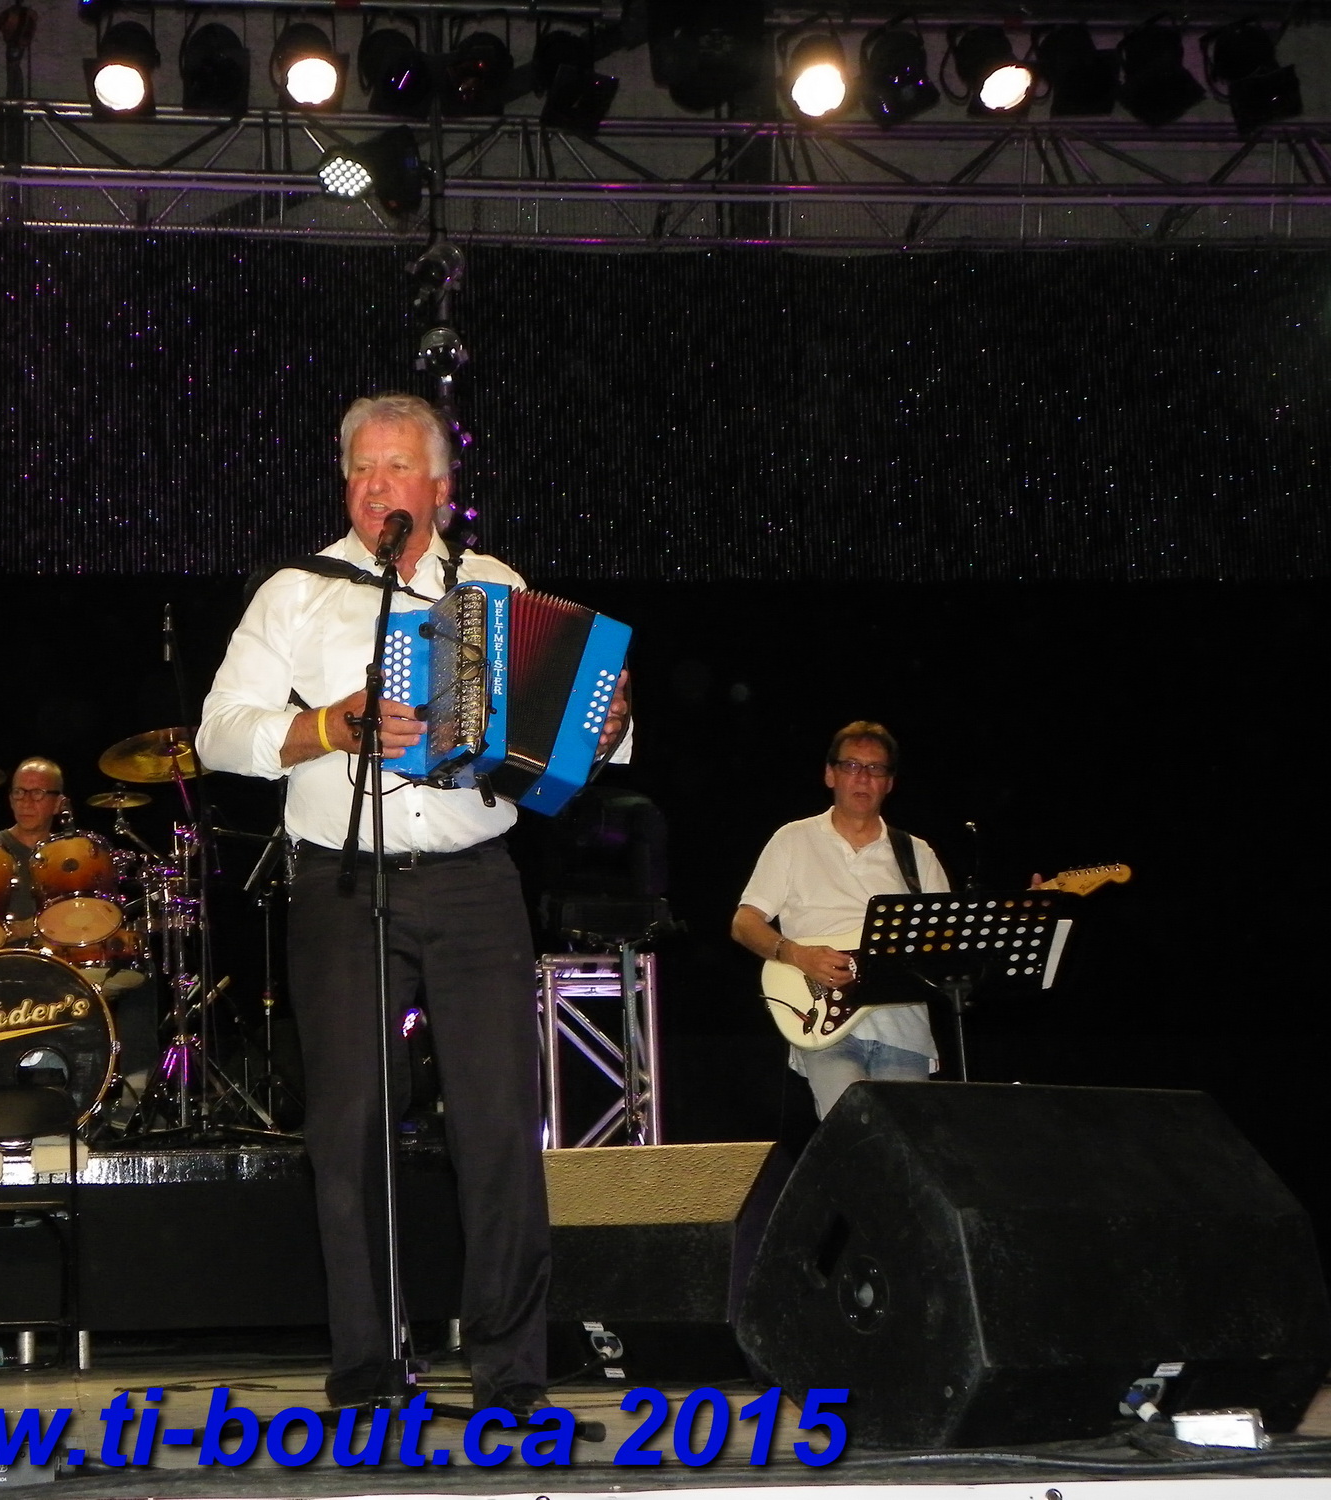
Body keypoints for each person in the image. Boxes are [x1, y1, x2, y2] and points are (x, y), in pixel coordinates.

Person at [196, 392, 630, 1414]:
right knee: (348, 1130)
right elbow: (218, 734)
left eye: (396, 467)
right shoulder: (297, 593)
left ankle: (511, 1375)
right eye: (360, 467)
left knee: (498, 1123)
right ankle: (367, 1368)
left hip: (476, 882)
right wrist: (326, 727)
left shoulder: (493, 587)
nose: (375, 485)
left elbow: (569, 743)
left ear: (439, 486)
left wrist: (605, 727)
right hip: (344, 880)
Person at [730, 721, 948, 1120]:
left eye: (875, 768)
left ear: (889, 783)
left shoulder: (917, 854)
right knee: (854, 1135)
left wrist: (1019, 911)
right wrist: (797, 954)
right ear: (830, 775)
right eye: (851, 766)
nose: (863, 777)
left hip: (905, 1027)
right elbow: (744, 923)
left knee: (904, 1147)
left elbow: (947, 936)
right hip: (824, 1021)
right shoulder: (793, 840)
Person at [0, 757, 68, 931]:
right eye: (19, 792)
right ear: (11, 800)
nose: (26, 803)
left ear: (58, 804)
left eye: (37, 793)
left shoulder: (71, 857)